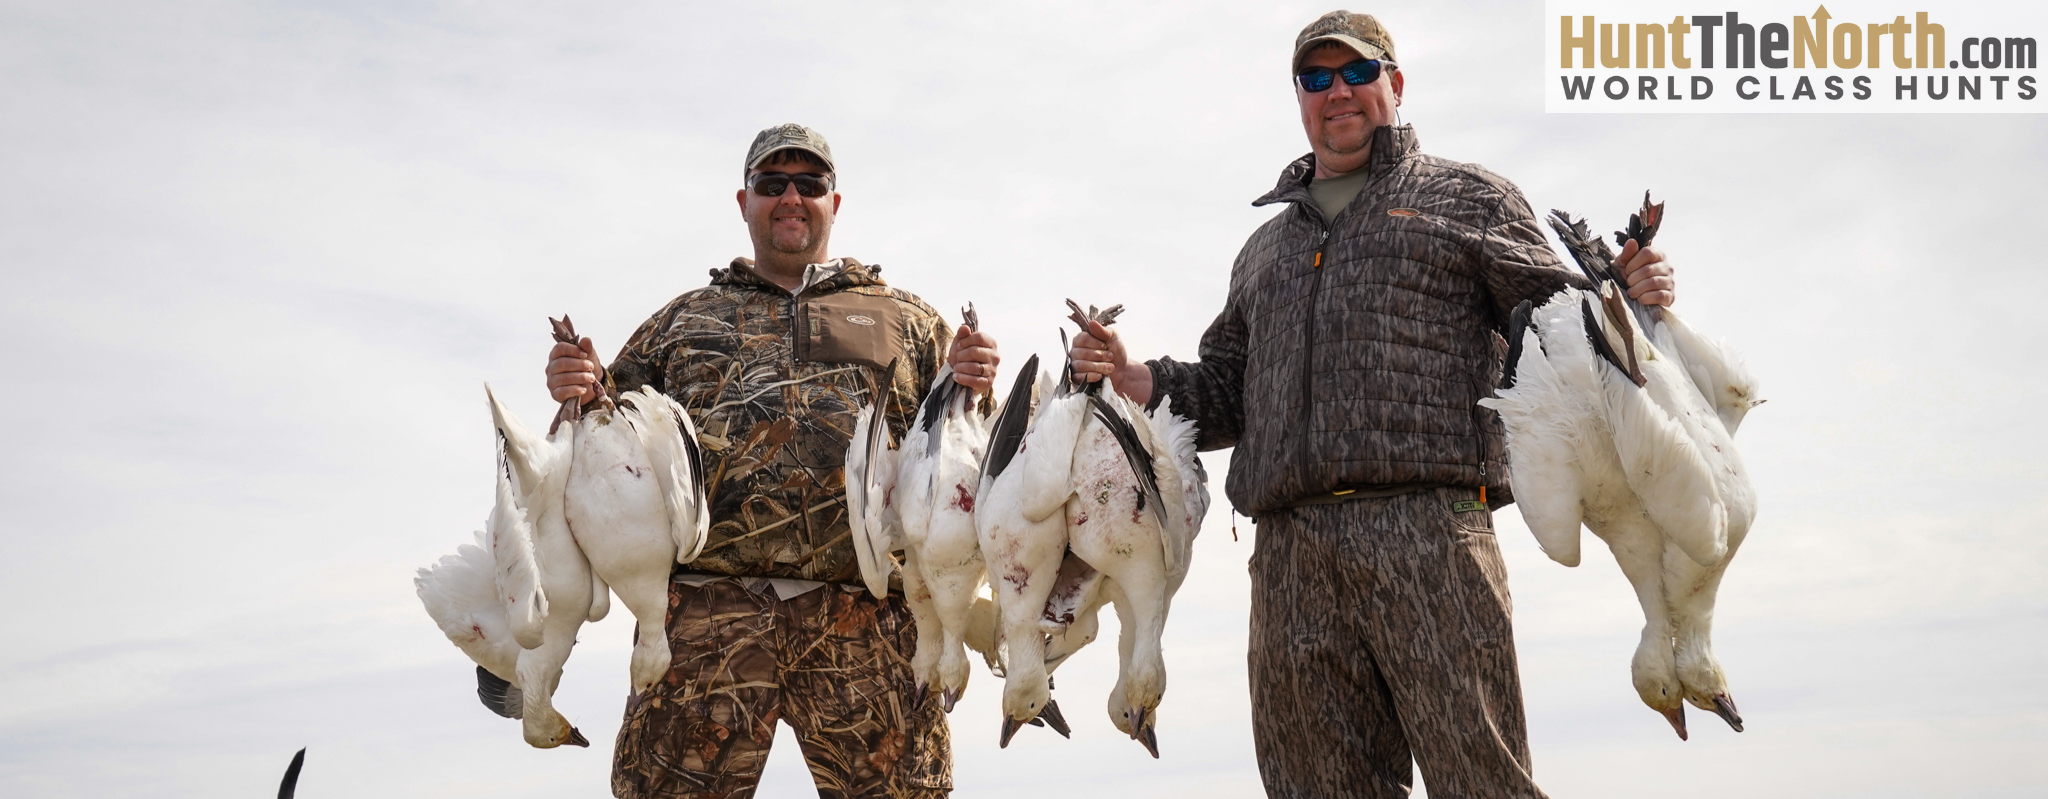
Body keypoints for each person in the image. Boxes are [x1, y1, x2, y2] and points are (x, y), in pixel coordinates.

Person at [1068, 11, 1675, 799]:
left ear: (1395, 82)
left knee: (1481, 780)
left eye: (1356, 72)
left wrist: (1629, 300)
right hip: (1290, 556)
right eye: (1315, 79)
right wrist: (1134, 374)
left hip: (1431, 533)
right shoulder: (1265, 250)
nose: (1337, 92)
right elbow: (1227, 386)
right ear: (1299, 98)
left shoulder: (1469, 198)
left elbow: (1566, 328)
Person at [544, 123, 999, 799]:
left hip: (867, 618)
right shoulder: (684, 321)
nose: (791, 196)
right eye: (772, 183)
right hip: (707, 619)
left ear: (834, 203)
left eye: (809, 183)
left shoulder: (904, 320)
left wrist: (978, 379)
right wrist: (577, 386)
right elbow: (605, 436)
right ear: (744, 200)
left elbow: (973, 452)